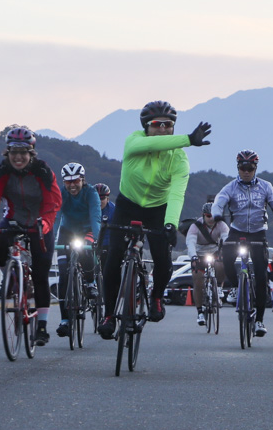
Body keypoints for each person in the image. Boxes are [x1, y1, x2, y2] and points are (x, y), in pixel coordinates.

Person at [99, 101, 211, 340]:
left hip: (158, 209)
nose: (162, 129)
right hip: (127, 205)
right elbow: (152, 143)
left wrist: (170, 223)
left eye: (168, 125)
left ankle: (157, 298)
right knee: (113, 256)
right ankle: (109, 315)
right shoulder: (134, 141)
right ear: (145, 127)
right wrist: (188, 139)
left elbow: (176, 194)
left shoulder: (179, 159)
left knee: (162, 257)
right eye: (156, 124)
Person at [0, 126, 61, 347]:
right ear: (8, 153)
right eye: (14, 152)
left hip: (41, 221)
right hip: (15, 218)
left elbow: (53, 202)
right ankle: (12, 277)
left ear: (31, 153)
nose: (18, 157)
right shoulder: (1, 171)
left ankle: (41, 326)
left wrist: (45, 223)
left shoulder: (42, 171)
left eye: (23, 152)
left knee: (42, 273)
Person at [212, 150, 273, 338]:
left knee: (261, 277)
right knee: (226, 257)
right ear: (238, 168)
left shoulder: (266, 187)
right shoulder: (231, 187)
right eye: (243, 167)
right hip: (237, 230)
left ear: (255, 168)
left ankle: (259, 320)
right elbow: (219, 201)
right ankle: (236, 287)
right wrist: (217, 214)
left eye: (250, 168)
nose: (246, 171)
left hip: (259, 233)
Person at [52, 161, 101, 338]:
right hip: (66, 231)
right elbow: (56, 216)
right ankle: (65, 320)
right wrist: (51, 238)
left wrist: (95, 238)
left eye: (76, 181)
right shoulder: (61, 193)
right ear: (64, 182)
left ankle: (89, 282)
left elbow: (96, 218)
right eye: (68, 182)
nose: (72, 185)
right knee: (64, 275)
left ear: (83, 180)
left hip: (87, 229)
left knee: (86, 250)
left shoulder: (91, 193)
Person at [186, 200, 229, 326]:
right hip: (199, 253)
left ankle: (219, 289)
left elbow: (226, 238)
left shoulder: (221, 224)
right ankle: (200, 312)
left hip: (214, 251)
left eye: (214, 216)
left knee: (222, 265)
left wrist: (225, 251)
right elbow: (190, 242)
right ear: (203, 215)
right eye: (208, 216)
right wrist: (193, 257)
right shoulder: (195, 226)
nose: (211, 219)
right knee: (198, 280)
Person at [93, 183, 114, 260]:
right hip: (89, 242)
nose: (99, 201)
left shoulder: (113, 210)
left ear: (107, 199)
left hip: (106, 244)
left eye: (102, 199)